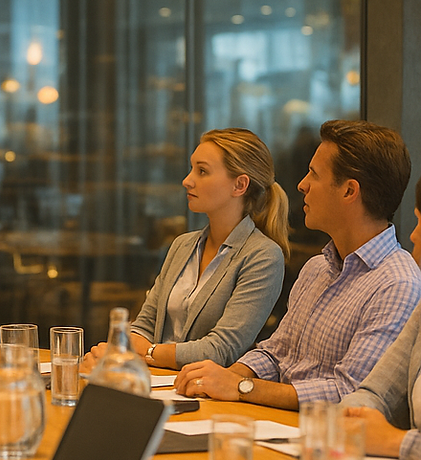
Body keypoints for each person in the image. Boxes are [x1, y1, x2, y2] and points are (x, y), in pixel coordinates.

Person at [174, 119, 421, 409]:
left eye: (314, 175)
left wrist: (242, 388)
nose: (302, 185)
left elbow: (349, 393)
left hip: (326, 440)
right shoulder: (318, 267)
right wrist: (225, 377)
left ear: (349, 191)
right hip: (279, 425)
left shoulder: (397, 283)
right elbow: (275, 353)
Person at [83, 128, 287, 372]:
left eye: (202, 171)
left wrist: (147, 352)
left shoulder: (263, 256)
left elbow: (220, 350)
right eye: (192, 169)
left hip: (209, 396)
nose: (187, 180)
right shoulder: (183, 244)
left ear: (239, 185)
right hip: (157, 381)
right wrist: (121, 349)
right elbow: (145, 324)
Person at [342, 178, 421, 460]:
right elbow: (375, 391)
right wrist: (350, 418)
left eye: (419, 222)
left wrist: (394, 441)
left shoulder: (401, 280)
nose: (412, 236)